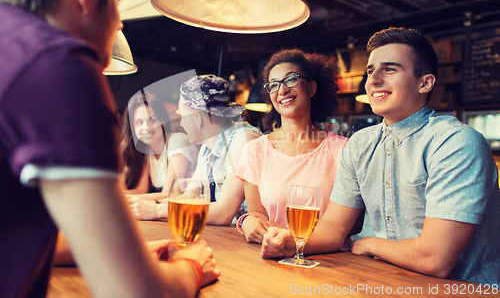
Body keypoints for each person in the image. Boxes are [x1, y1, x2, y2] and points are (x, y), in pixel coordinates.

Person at [0, 0, 219, 297]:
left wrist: (126, 254)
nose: (119, 22)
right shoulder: (58, 65)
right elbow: (135, 292)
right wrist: (192, 266)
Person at [262, 27, 500, 284]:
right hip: (381, 283)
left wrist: (371, 244)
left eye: (390, 69)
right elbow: (333, 229)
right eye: (371, 71)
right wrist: (289, 244)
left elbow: (435, 259)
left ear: (425, 83)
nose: (373, 79)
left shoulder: (455, 142)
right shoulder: (361, 143)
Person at [235, 49, 349, 244]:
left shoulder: (343, 150)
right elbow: (257, 214)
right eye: (273, 85)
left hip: (330, 263)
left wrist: (289, 235)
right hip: (273, 255)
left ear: (312, 88)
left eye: (291, 80)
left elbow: (351, 226)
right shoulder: (255, 150)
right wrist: (248, 222)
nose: (282, 90)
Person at [133, 74, 262, 225]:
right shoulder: (207, 150)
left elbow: (224, 212)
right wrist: (140, 205)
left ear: (197, 119)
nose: (181, 123)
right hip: (234, 238)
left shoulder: (243, 140)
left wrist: (157, 211)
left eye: (182, 115)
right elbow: (189, 196)